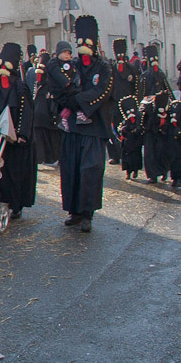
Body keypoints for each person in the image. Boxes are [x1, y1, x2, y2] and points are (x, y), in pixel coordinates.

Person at [56, 17, 115, 232]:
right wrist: (68, 102)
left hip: (94, 128)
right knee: (71, 170)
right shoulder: (72, 66)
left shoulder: (104, 68)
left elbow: (102, 92)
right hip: (73, 127)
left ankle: (87, 213)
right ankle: (74, 211)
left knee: (90, 170)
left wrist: (78, 101)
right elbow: (62, 88)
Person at [0, 43, 37, 218]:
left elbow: (26, 113)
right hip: (0, 139)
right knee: (1, 172)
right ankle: (5, 200)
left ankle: (16, 205)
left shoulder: (20, 88)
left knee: (16, 173)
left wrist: (22, 134)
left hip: (16, 142)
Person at [140, 46, 174, 185]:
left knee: (162, 147)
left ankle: (164, 170)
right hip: (149, 118)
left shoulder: (161, 75)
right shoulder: (144, 77)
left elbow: (169, 92)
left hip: (162, 116)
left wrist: (171, 106)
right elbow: (141, 96)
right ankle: (152, 174)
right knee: (149, 148)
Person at [32, 47, 66, 166]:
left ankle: (53, 158)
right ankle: (42, 158)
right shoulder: (39, 82)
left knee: (52, 138)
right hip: (39, 116)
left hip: (49, 115)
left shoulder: (50, 81)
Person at [115, 96, 144, 181]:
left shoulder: (138, 117)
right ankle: (128, 172)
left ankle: (135, 171)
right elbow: (121, 128)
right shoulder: (125, 120)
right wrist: (124, 129)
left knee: (135, 157)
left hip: (136, 142)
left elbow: (140, 128)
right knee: (127, 157)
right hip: (127, 143)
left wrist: (135, 130)